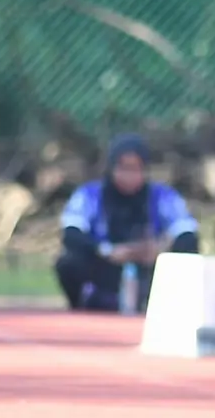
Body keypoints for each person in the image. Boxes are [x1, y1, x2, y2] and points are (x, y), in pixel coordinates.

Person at [54, 134, 200, 312]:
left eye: (136, 169)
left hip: (150, 266)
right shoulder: (90, 195)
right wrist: (107, 251)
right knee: (69, 262)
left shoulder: (162, 196)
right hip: (107, 264)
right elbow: (71, 233)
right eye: (124, 168)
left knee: (189, 261)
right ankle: (81, 306)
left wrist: (161, 249)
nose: (129, 176)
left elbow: (186, 231)